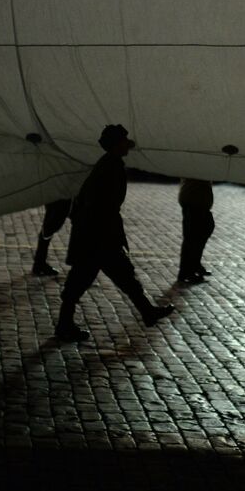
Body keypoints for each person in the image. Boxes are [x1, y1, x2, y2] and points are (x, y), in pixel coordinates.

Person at [55, 125, 174, 342]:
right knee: (83, 281)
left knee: (120, 276)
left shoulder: (108, 164)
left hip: (97, 235)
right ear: (116, 144)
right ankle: (64, 325)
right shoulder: (110, 167)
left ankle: (147, 311)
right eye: (123, 141)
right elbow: (100, 204)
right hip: (98, 237)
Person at [177, 178, 215, 284]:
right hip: (195, 201)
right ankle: (187, 271)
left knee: (194, 236)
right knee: (194, 238)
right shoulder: (199, 166)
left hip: (194, 199)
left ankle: (193, 266)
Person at [32, 199, 71, 277]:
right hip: (63, 197)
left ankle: (39, 263)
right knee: (49, 227)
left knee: (48, 228)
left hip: (59, 197)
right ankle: (39, 263)